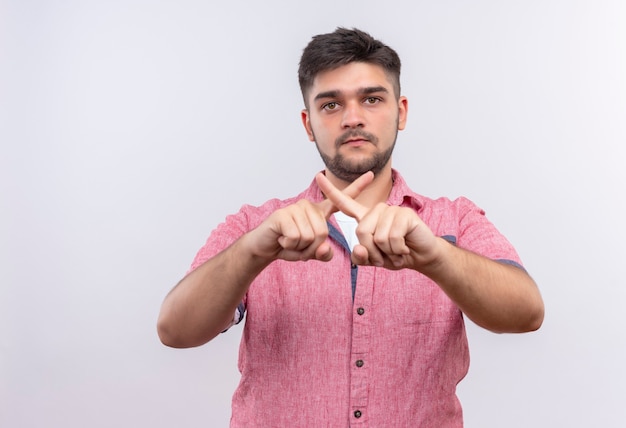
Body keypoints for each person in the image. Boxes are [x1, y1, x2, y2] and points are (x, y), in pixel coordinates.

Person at [157, 27, 544, 427]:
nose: (353, 118)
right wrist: (254, 251)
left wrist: (436, 258)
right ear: (308, 124)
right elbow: (176, 330)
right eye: (330, 105)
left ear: (401, 111)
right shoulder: (254, 227)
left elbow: (526, 313)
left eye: (372, 99)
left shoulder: (455, 221)